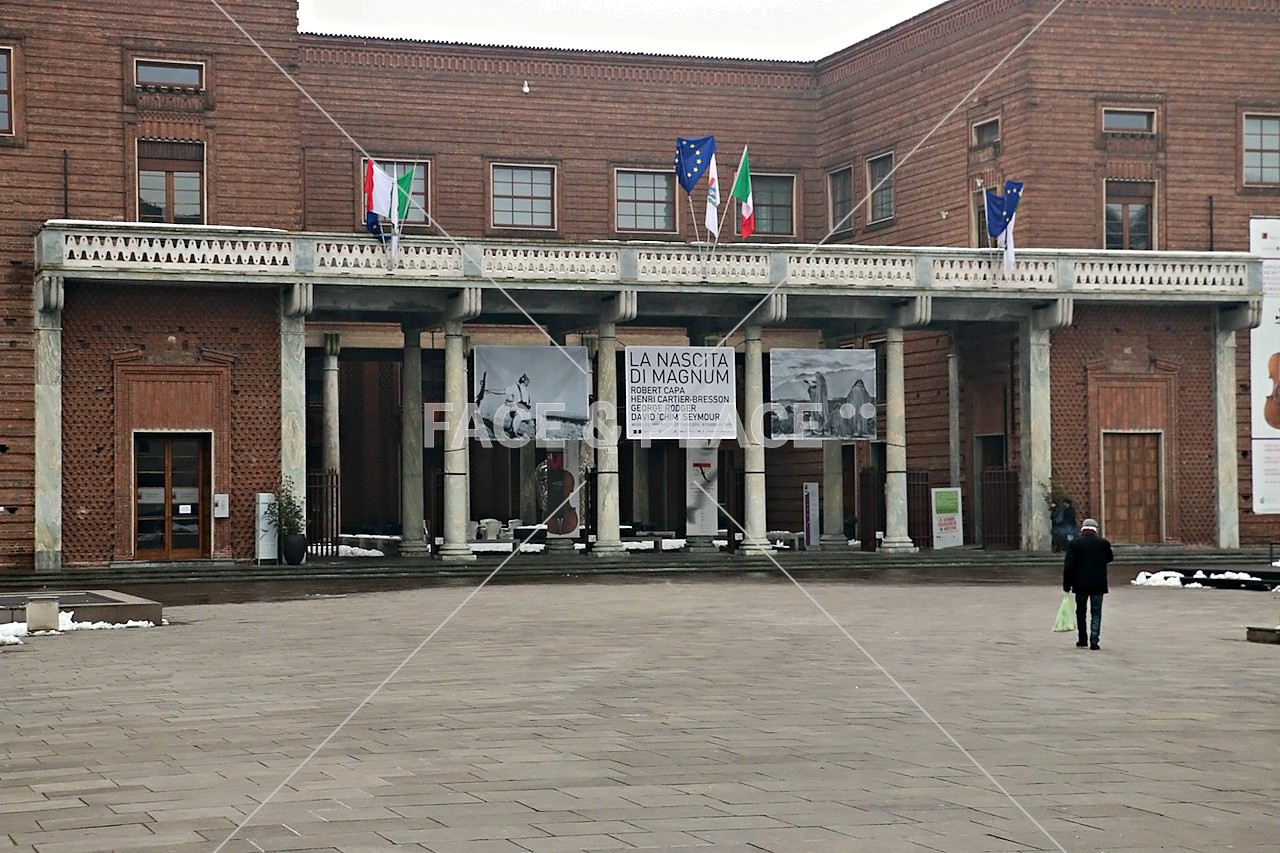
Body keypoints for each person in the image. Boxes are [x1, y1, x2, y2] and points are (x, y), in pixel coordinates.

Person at [1062, 517, 1114, 650]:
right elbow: (1109, 558)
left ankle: (1082, 639)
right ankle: (1094, 640)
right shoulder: (1103, 543)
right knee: (1096, 612)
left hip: (1080, 584)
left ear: (1083, 529)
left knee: (1081, 611)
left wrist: (1067, 584)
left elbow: (1069, 565)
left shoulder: (1075, 543)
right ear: (1096, 529)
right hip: (1098, 583)